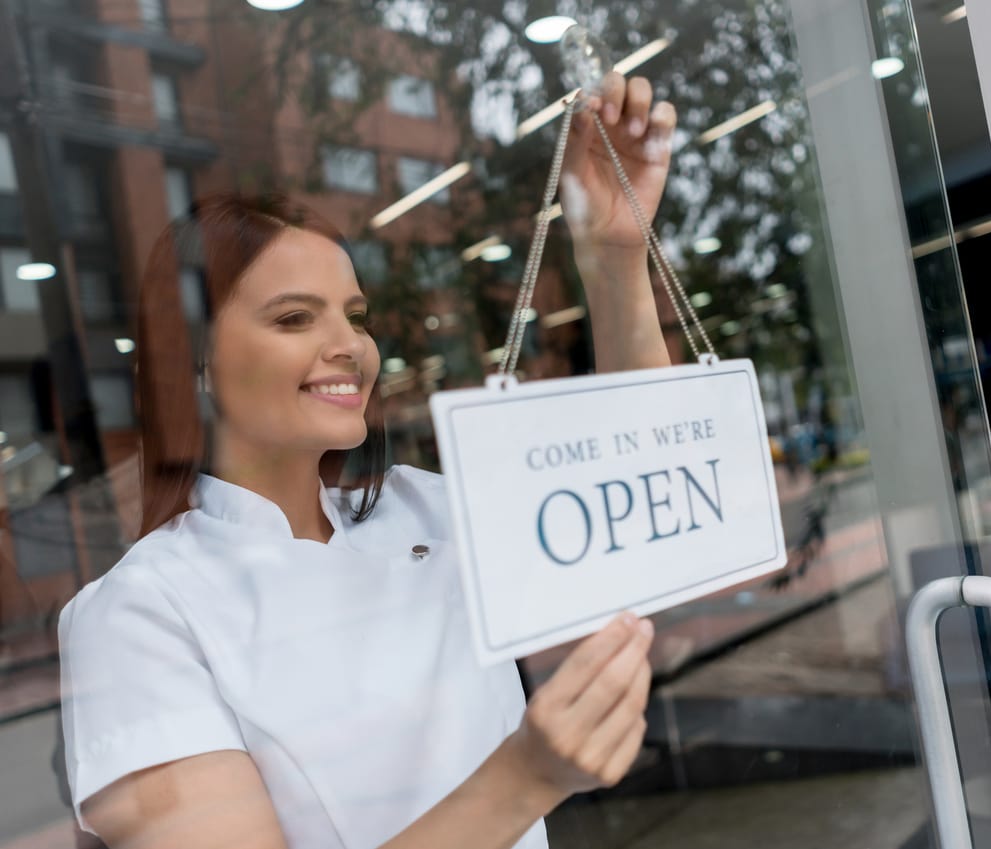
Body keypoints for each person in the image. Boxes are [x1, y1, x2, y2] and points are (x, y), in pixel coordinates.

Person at [57, 72, 676, 849]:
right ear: (197, 366)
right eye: (293, 317)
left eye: (355, 315)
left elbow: (641, 515)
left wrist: (616, 257)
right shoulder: (138, 615)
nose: (349, 344)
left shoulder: (427, 508)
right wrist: (530, 775)